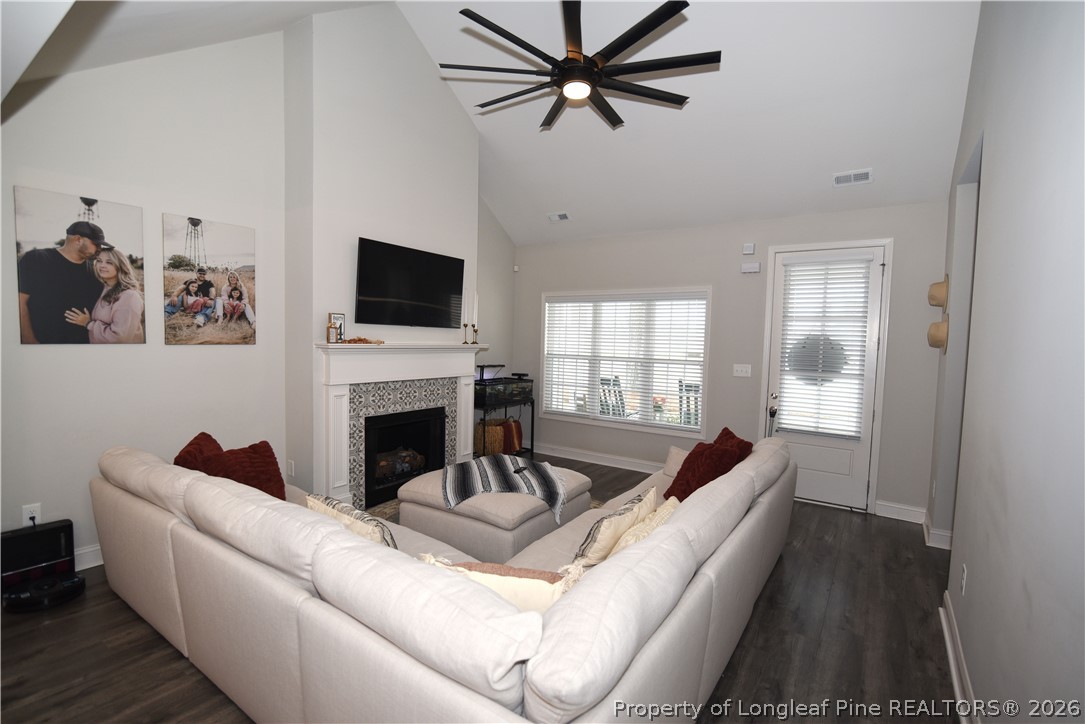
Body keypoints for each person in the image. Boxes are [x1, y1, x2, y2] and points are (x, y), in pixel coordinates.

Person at [17, 220, 112, 343]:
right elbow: (19, 303)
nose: (99, 249)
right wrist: (29, 340)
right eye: (96, 244)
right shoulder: (36, 259)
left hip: (81, 348)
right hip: (42, 345)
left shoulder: (96, 272)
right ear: (78, 239)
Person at [63, 247, 145, 344]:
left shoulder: (129, 296)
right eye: (99, 261)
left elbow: (119, 338)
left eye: (109, 262)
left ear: (120, 266)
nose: (102, 265)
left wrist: (88, 323)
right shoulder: (103, 288)